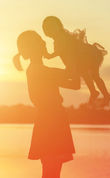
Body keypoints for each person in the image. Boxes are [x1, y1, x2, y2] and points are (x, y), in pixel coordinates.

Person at [13, 30, 80, 178]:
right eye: (40, 42)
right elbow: (73, 78)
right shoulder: (40, 70)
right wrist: (72, 55)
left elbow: (75, 84)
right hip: (51, 122)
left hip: (52, 120)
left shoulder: (40, 70)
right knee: (51, 171)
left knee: (52, 171)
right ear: (34, 48)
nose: (44, 43)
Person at [42, 16, 110, 104]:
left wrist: (49, 55)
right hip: (81, 58)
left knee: (94, 75)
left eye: (53, 27)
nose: (51, 30)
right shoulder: (59, 38)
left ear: (58, 26)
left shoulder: (60, 37)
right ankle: (94, 92)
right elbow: (62, 51)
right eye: (49, 28)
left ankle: (104, 94)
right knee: (86, 73)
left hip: (88, 56)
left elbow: (60, 51)